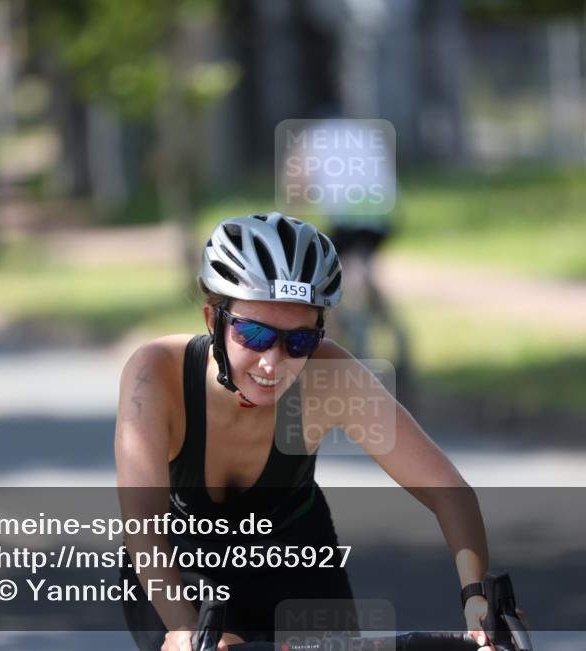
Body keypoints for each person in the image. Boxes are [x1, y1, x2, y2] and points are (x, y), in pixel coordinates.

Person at [115, 212, 492, 651]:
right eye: (254, 335)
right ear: (212, 320)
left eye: (299, 342)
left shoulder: (330, 374)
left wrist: (478, 599)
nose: (272, 363)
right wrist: (183, 628)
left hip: (294, 558)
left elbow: (448, 491)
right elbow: (142, 523)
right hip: (178, 565)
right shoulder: (155, 373)